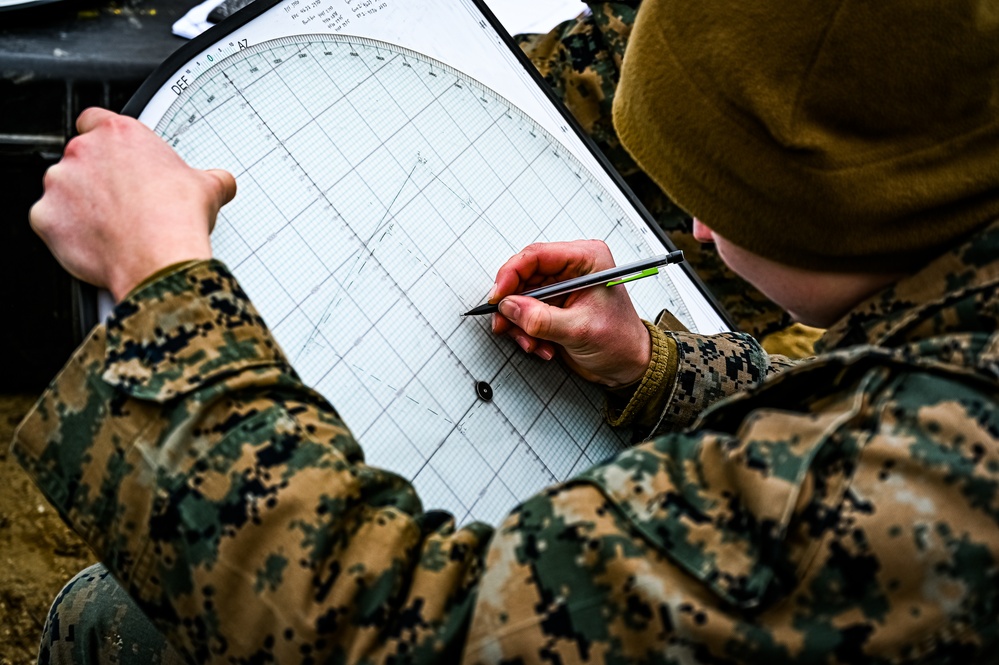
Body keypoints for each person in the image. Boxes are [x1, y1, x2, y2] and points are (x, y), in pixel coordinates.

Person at [16, 0, 999, 663]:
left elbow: (393, 630)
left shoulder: (924, 486)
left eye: (723, 191)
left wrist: (161, 276)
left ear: (844, 201)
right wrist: (661, 368)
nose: (696, 230)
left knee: (116, 624)